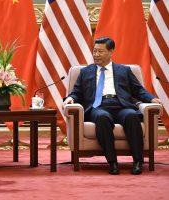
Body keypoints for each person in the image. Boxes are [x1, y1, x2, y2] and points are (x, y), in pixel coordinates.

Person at [63, 37, 162, 175]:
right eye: (94, 51)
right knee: (102, 118)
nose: (96, 54)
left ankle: (138, 161)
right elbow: (76, 92)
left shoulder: (124, 70)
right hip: (99, 107)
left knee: (132, 116)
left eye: (100, 51)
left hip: (121, 105)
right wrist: (70, 98)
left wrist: (152, 99)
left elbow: (138, 90)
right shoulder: (85, 72)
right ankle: (112, 162)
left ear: (111, 52)